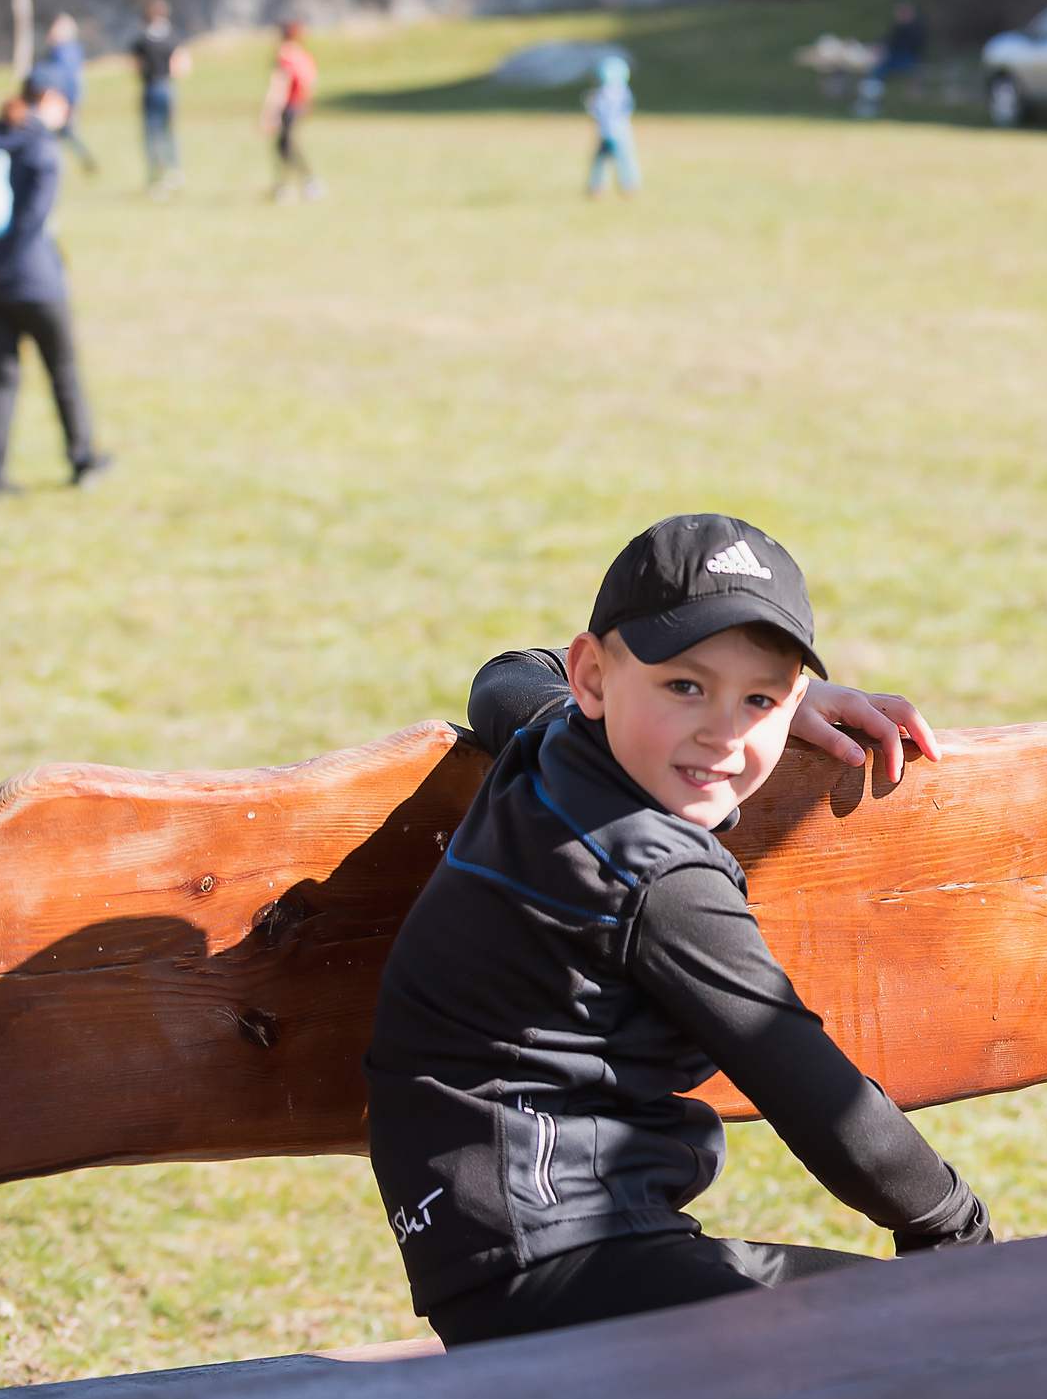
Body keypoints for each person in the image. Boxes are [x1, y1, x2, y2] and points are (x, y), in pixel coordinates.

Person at [364, 513, 989, 1346]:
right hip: (554, 1263)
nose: (723, 733)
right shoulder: (655, 874)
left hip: (504, 1239)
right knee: (937, 1331)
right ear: (593, 676)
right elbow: (818, 1095)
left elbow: (506, 677)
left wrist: (770, 700)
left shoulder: (553, 737)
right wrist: (955, 1225)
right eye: (685, 687)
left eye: (758, 698)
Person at [0, 76, 111, 496]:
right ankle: (83, 459)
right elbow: (33, 222)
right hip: (35, 282)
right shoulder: (42, 149)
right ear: (48, 100)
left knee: (2, 377)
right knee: (64, 372)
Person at [129, 0, 189, 199]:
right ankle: (174, 170)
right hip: (168, 87)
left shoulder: (141, 40)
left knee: (152, 135)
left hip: (150, 87)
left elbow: (135, 66)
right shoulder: (172, 37)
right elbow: (180, 66)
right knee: (169, 131)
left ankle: (156, 178)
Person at [260, 20, 322, 203]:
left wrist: (269, 111)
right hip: (298, 104)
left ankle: (289, 186)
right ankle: (301, 184)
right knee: (287, 144)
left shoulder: (284, 56)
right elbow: (311, 81)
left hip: (286, 105)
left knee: (285, 146)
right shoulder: (302, 55)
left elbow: (279, 84)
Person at [37, 15, 95, 175]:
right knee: (64, 134)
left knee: (60, 133)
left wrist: (69, 102)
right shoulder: (71, 48)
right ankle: (83, 160)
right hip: (65, 98)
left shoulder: (62, 51)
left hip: (61, 98)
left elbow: (65, 78)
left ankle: (82, 160)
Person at [856, 1, 927, 116]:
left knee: (878, 69)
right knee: (874, 70)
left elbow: (907, 47)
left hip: (906, 59)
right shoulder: (898, 27)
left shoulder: (916, 28)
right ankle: (869, 100)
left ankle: (871, 102)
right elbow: (888, 41)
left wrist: (885, 51)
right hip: (894, 57)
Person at [584, 56, 639, 199]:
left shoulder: (603, 92)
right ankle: (629, 186)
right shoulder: (622, 90)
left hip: (607, 131)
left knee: (603, 161)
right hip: (620, 130)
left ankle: (597, 188)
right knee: (624, 159)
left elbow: (595, 109)